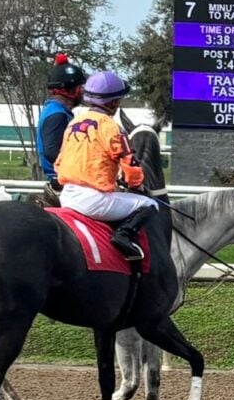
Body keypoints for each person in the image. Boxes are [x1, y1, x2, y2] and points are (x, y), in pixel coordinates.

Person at [55, 70, 159, 260]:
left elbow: (59, 162)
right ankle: (124, 235)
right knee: (150, 205)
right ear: (113, 102)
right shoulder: (112, 127)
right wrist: (136, 185)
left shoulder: (73, 123)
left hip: (67, 195)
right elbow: (130, 165)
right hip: (94, 201)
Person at [36, 53, 86, 200]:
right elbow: (51, 151)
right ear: (69, 90)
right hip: (64, 183)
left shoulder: (57, 111)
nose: (82, 91)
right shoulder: (58, 115)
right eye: (79, 87)